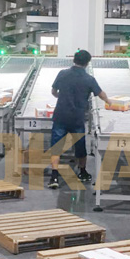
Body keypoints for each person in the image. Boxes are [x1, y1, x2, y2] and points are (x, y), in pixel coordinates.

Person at [48, 49, 112, 189]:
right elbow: (101, 94)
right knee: (80, 146)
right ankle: (82, 172)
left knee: (56, 147)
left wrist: (61, 97)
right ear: (87, 63)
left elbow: (53, 91)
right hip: (77, 118)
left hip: (60, 116)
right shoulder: (89, 79)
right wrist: (110, 102)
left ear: (74, 60)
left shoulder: (62, 74)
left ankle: (54, 176)